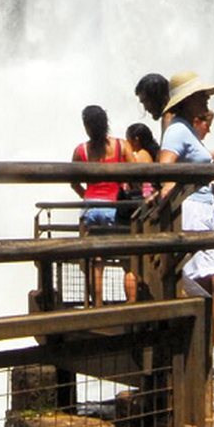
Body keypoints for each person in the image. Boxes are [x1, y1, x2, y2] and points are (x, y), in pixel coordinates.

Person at [157, 71, 214, 380]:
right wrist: (168, 199)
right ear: (187, 101)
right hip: (192, 210)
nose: (207, 99)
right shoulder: (177, 131)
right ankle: (210, 353)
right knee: (206, 280)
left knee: (211, 279)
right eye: (202, 95)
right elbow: (165, 167)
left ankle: (208, 349)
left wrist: (213, 157)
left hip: (201, 210)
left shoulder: (184, 131)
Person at [72, 106, 136, 306]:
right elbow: (137, 174)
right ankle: (131, 302)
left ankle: (97, 305)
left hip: (90, 207)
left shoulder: (81, 150)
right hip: (113, 206)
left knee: (95, 260)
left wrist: (87, 196)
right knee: (127, 258)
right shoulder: (121, 146)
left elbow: (73, 181)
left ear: (86, 126)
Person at [126, 123, 161, 200]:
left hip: (145, 195)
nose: (126, 142)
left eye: (127, 138)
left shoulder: (141, 155)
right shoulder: (150, 154)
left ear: (136, 140)